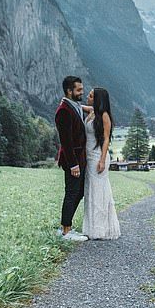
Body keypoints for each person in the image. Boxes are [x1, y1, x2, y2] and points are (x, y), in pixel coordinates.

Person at [82, 87, 120, 240]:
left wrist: (102, 160)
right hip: (89, 156)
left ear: (97, 99)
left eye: (91, 96)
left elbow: (106, 139)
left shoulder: (104, 116)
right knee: (90, 191)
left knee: (99, 192)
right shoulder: (92, 112)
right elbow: (80, 107)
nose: (87, 97)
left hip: (98, 157)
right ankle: (92, 226)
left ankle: (100, 229)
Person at [55, 76, 88, 241]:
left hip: (79, 159)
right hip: (72, 160)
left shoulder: (73, 106)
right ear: (69, 91)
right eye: (79, 90)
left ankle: (65, 226)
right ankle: (66, 231)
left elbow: (80, 109)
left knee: (79, 191)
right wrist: (73, 165)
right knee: (72, 192)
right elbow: (66, 142)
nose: (82, 92)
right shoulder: (63, 111)